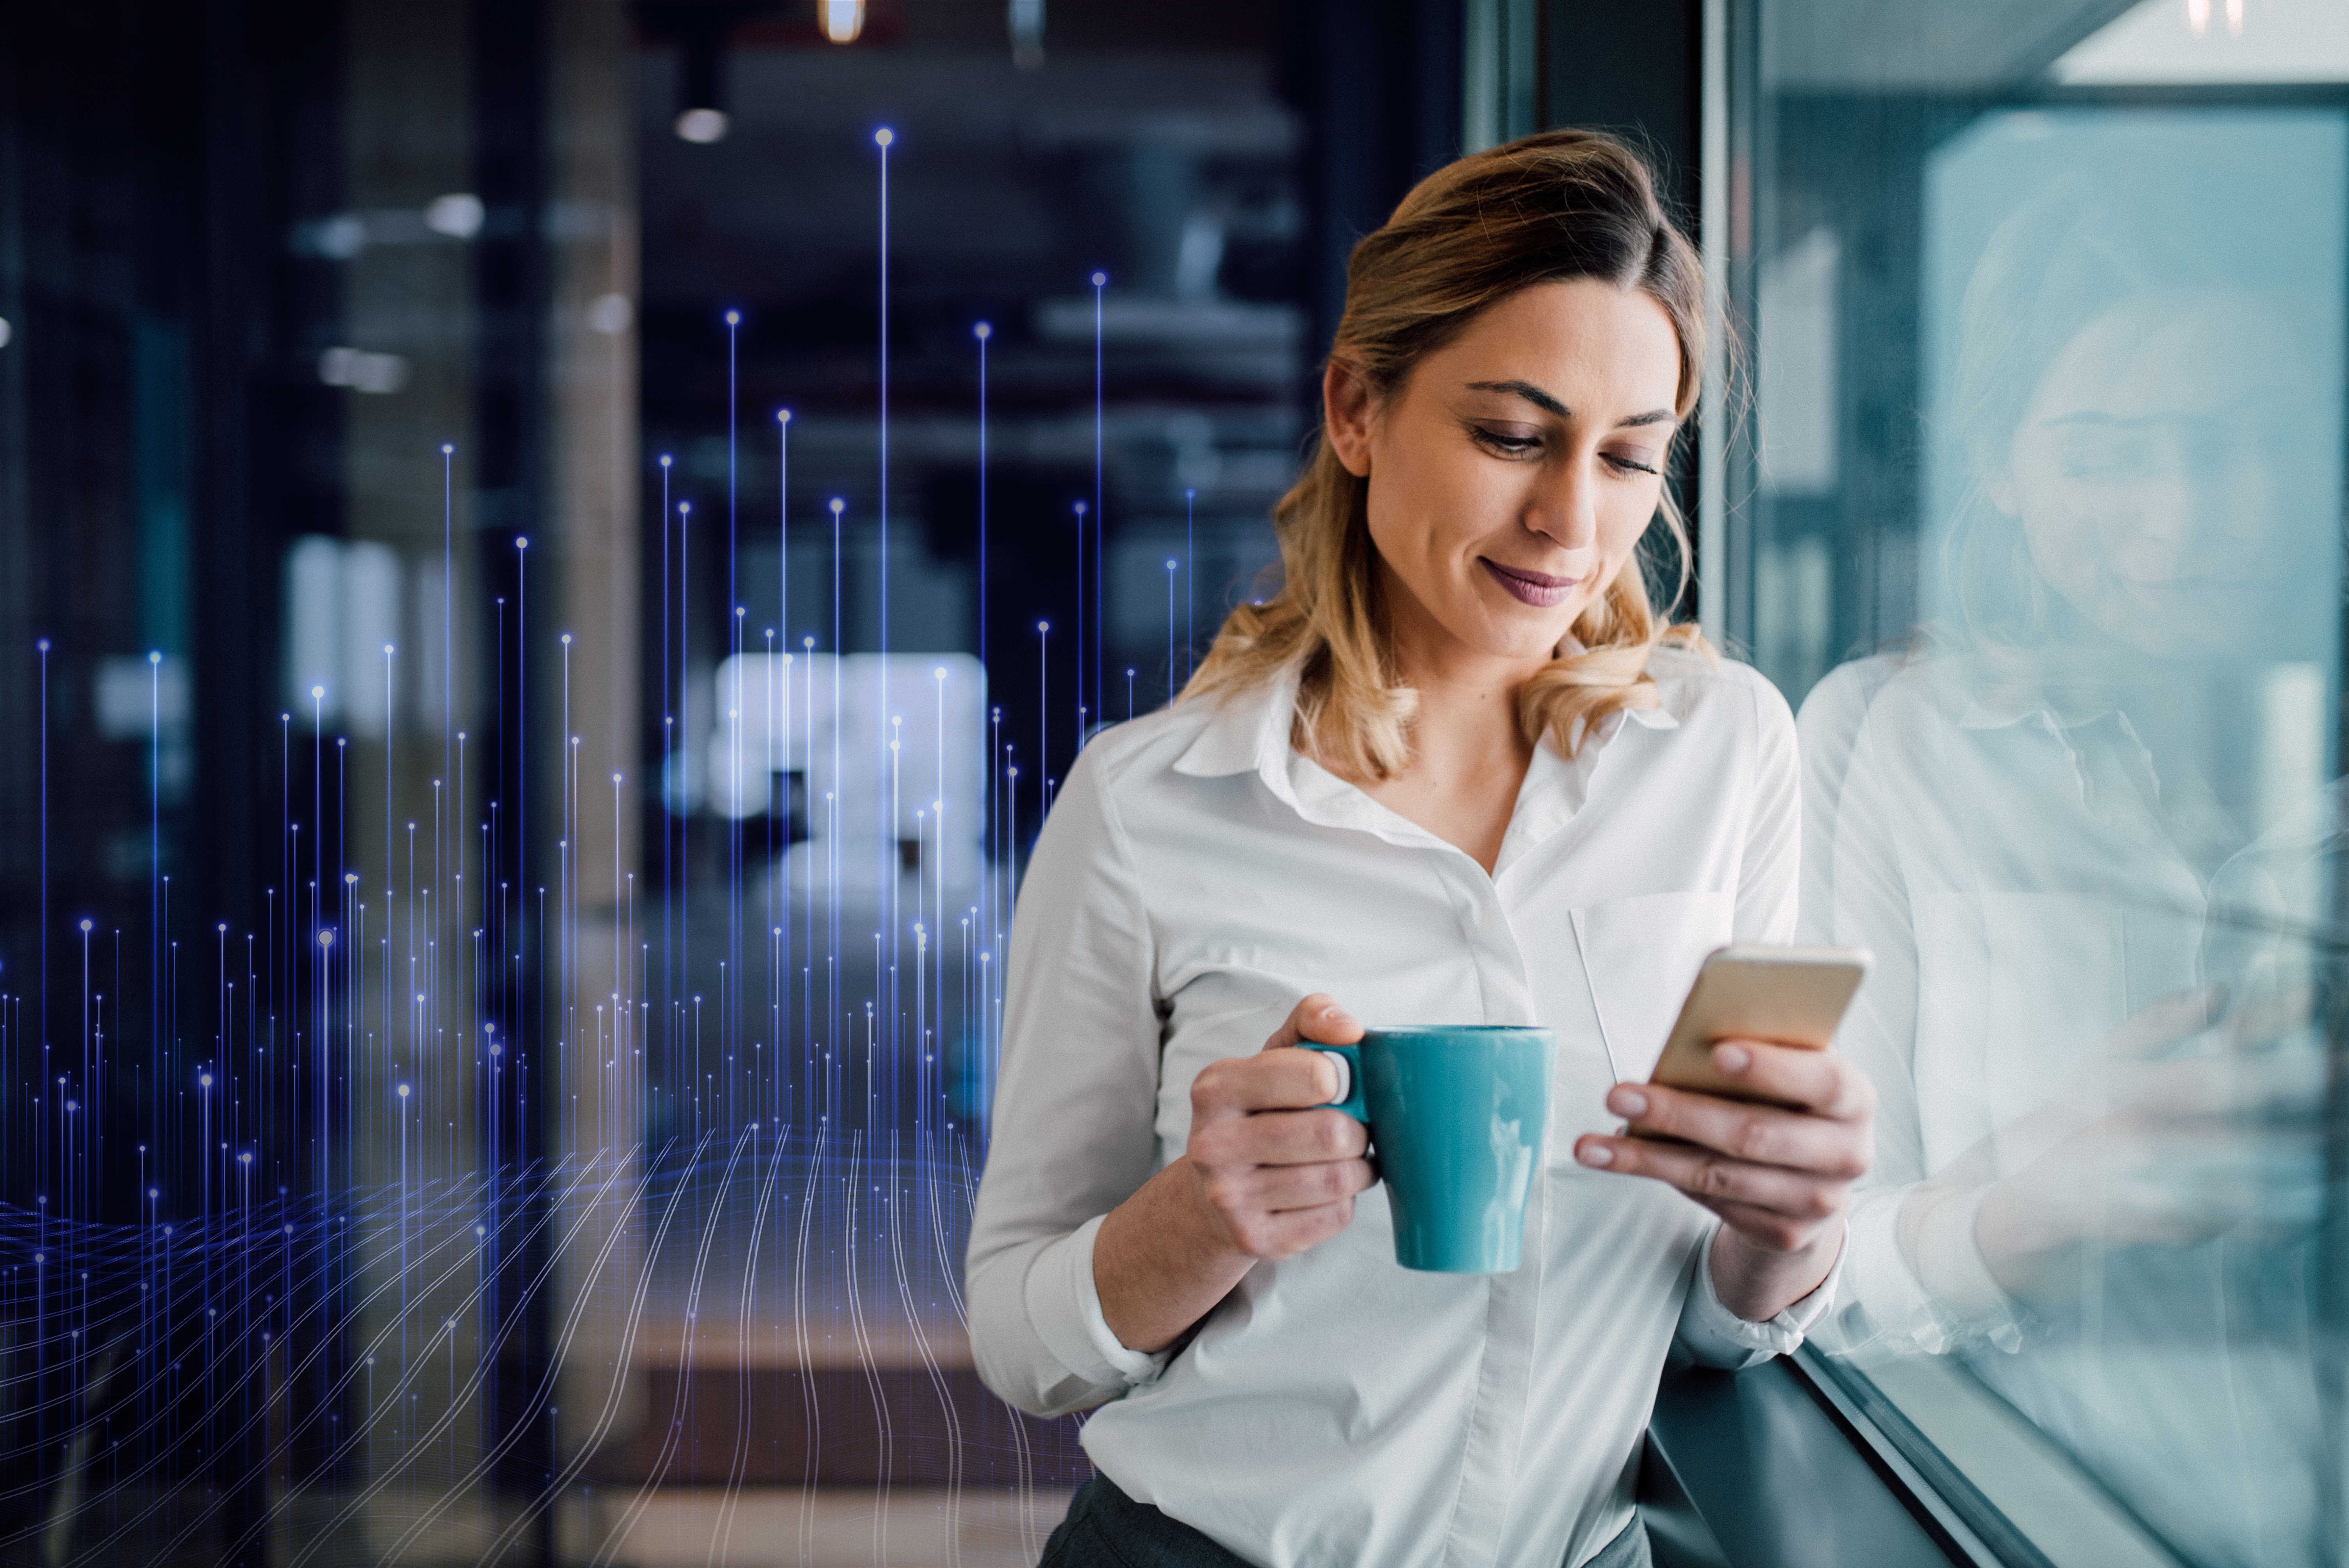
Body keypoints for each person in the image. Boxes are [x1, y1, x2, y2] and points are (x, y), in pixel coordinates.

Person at [966, 129, 1875, 1568]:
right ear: (1356, 411)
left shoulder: (1725, 752)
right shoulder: (1149, 804)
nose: (1572, 523)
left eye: (1631, 457)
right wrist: (1203, 1219)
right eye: (1514, 435)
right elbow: (1025, 1342)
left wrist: (1789, 1226)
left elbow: (1714, 1317)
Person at [1798, 137, 2337, 1567]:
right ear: (2004, 471)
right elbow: (1794, 1274)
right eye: (2105, 457)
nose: (2188, 522)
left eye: (2256, 442)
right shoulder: (1884, 747)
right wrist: (2055, 1200)